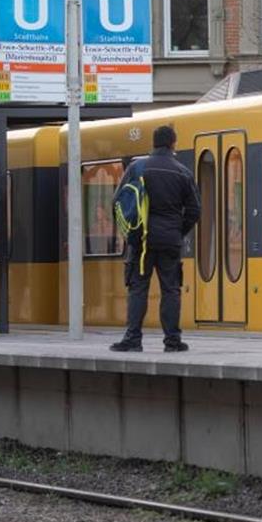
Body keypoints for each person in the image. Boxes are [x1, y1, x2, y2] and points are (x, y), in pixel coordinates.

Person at [110, 125, 201, 352]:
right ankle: (172, 341)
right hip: (170, 239)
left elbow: (118, 201)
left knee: (138, 288)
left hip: (141, 240)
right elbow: (194, 210)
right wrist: (178, 231)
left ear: (153, 143)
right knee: (170, 289)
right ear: (173, 144)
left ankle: (133, 339)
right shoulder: (182, 172)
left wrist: (130, 232)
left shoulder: (137, 167)